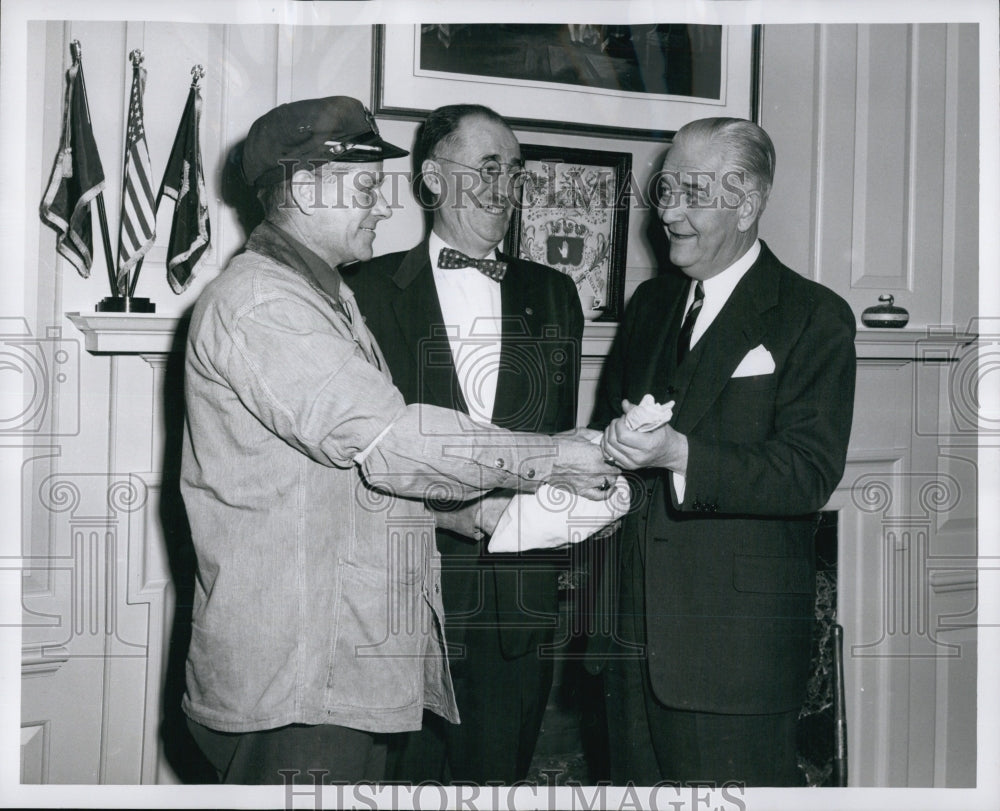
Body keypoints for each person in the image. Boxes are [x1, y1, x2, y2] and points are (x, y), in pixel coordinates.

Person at [179, 95, 615, 785]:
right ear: (303, 187)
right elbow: (388, 440)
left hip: (337, 664)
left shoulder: (325, 297)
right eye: (364, 188)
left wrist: (477, 513)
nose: (384, 206)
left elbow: (349, 479)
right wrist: (553, 454)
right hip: (298, 676)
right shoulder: (264, 303)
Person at [590, 117, 856, 786]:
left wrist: (681, 455)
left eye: (694, 193)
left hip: (734, 661)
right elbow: (604, 448)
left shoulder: (812, 315)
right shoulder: (649, 304)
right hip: (626, 649)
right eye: (666, 188)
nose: (670, 212)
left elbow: (806, 473)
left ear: (747, 202)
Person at [347, 103, 583, 784]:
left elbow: (551, 449)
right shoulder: (363, 290)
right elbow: (354, 460)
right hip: (400, 605)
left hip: (517, 610)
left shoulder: (554, 293)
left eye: (514, 171)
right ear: (430, 178)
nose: (504, 188)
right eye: (486, 169)